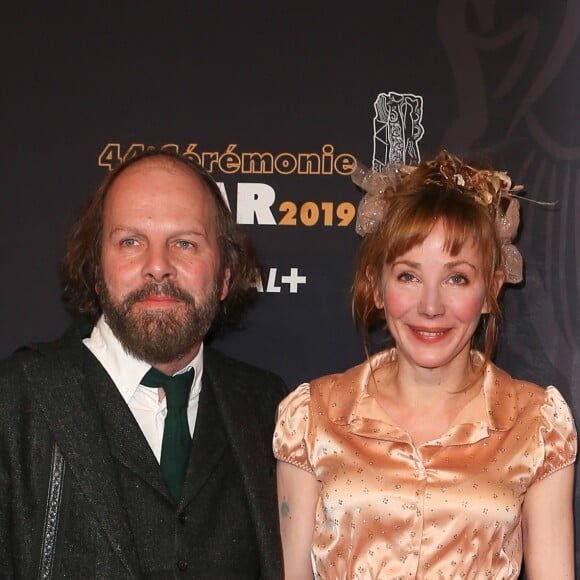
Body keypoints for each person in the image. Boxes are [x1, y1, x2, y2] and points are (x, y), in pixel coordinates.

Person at [273, 151, 577, 579]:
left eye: (457, 278)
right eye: (408, 276)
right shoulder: (311, 417)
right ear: (376, 286)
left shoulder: (537, 424)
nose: (430, 306)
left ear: (491, 289)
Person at [0, 148, 288, 579]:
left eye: (185, 243)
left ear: (226, 274)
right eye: (131, 242)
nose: (158, 267)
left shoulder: (269, 409)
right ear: (96, 269)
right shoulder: (14, 403)